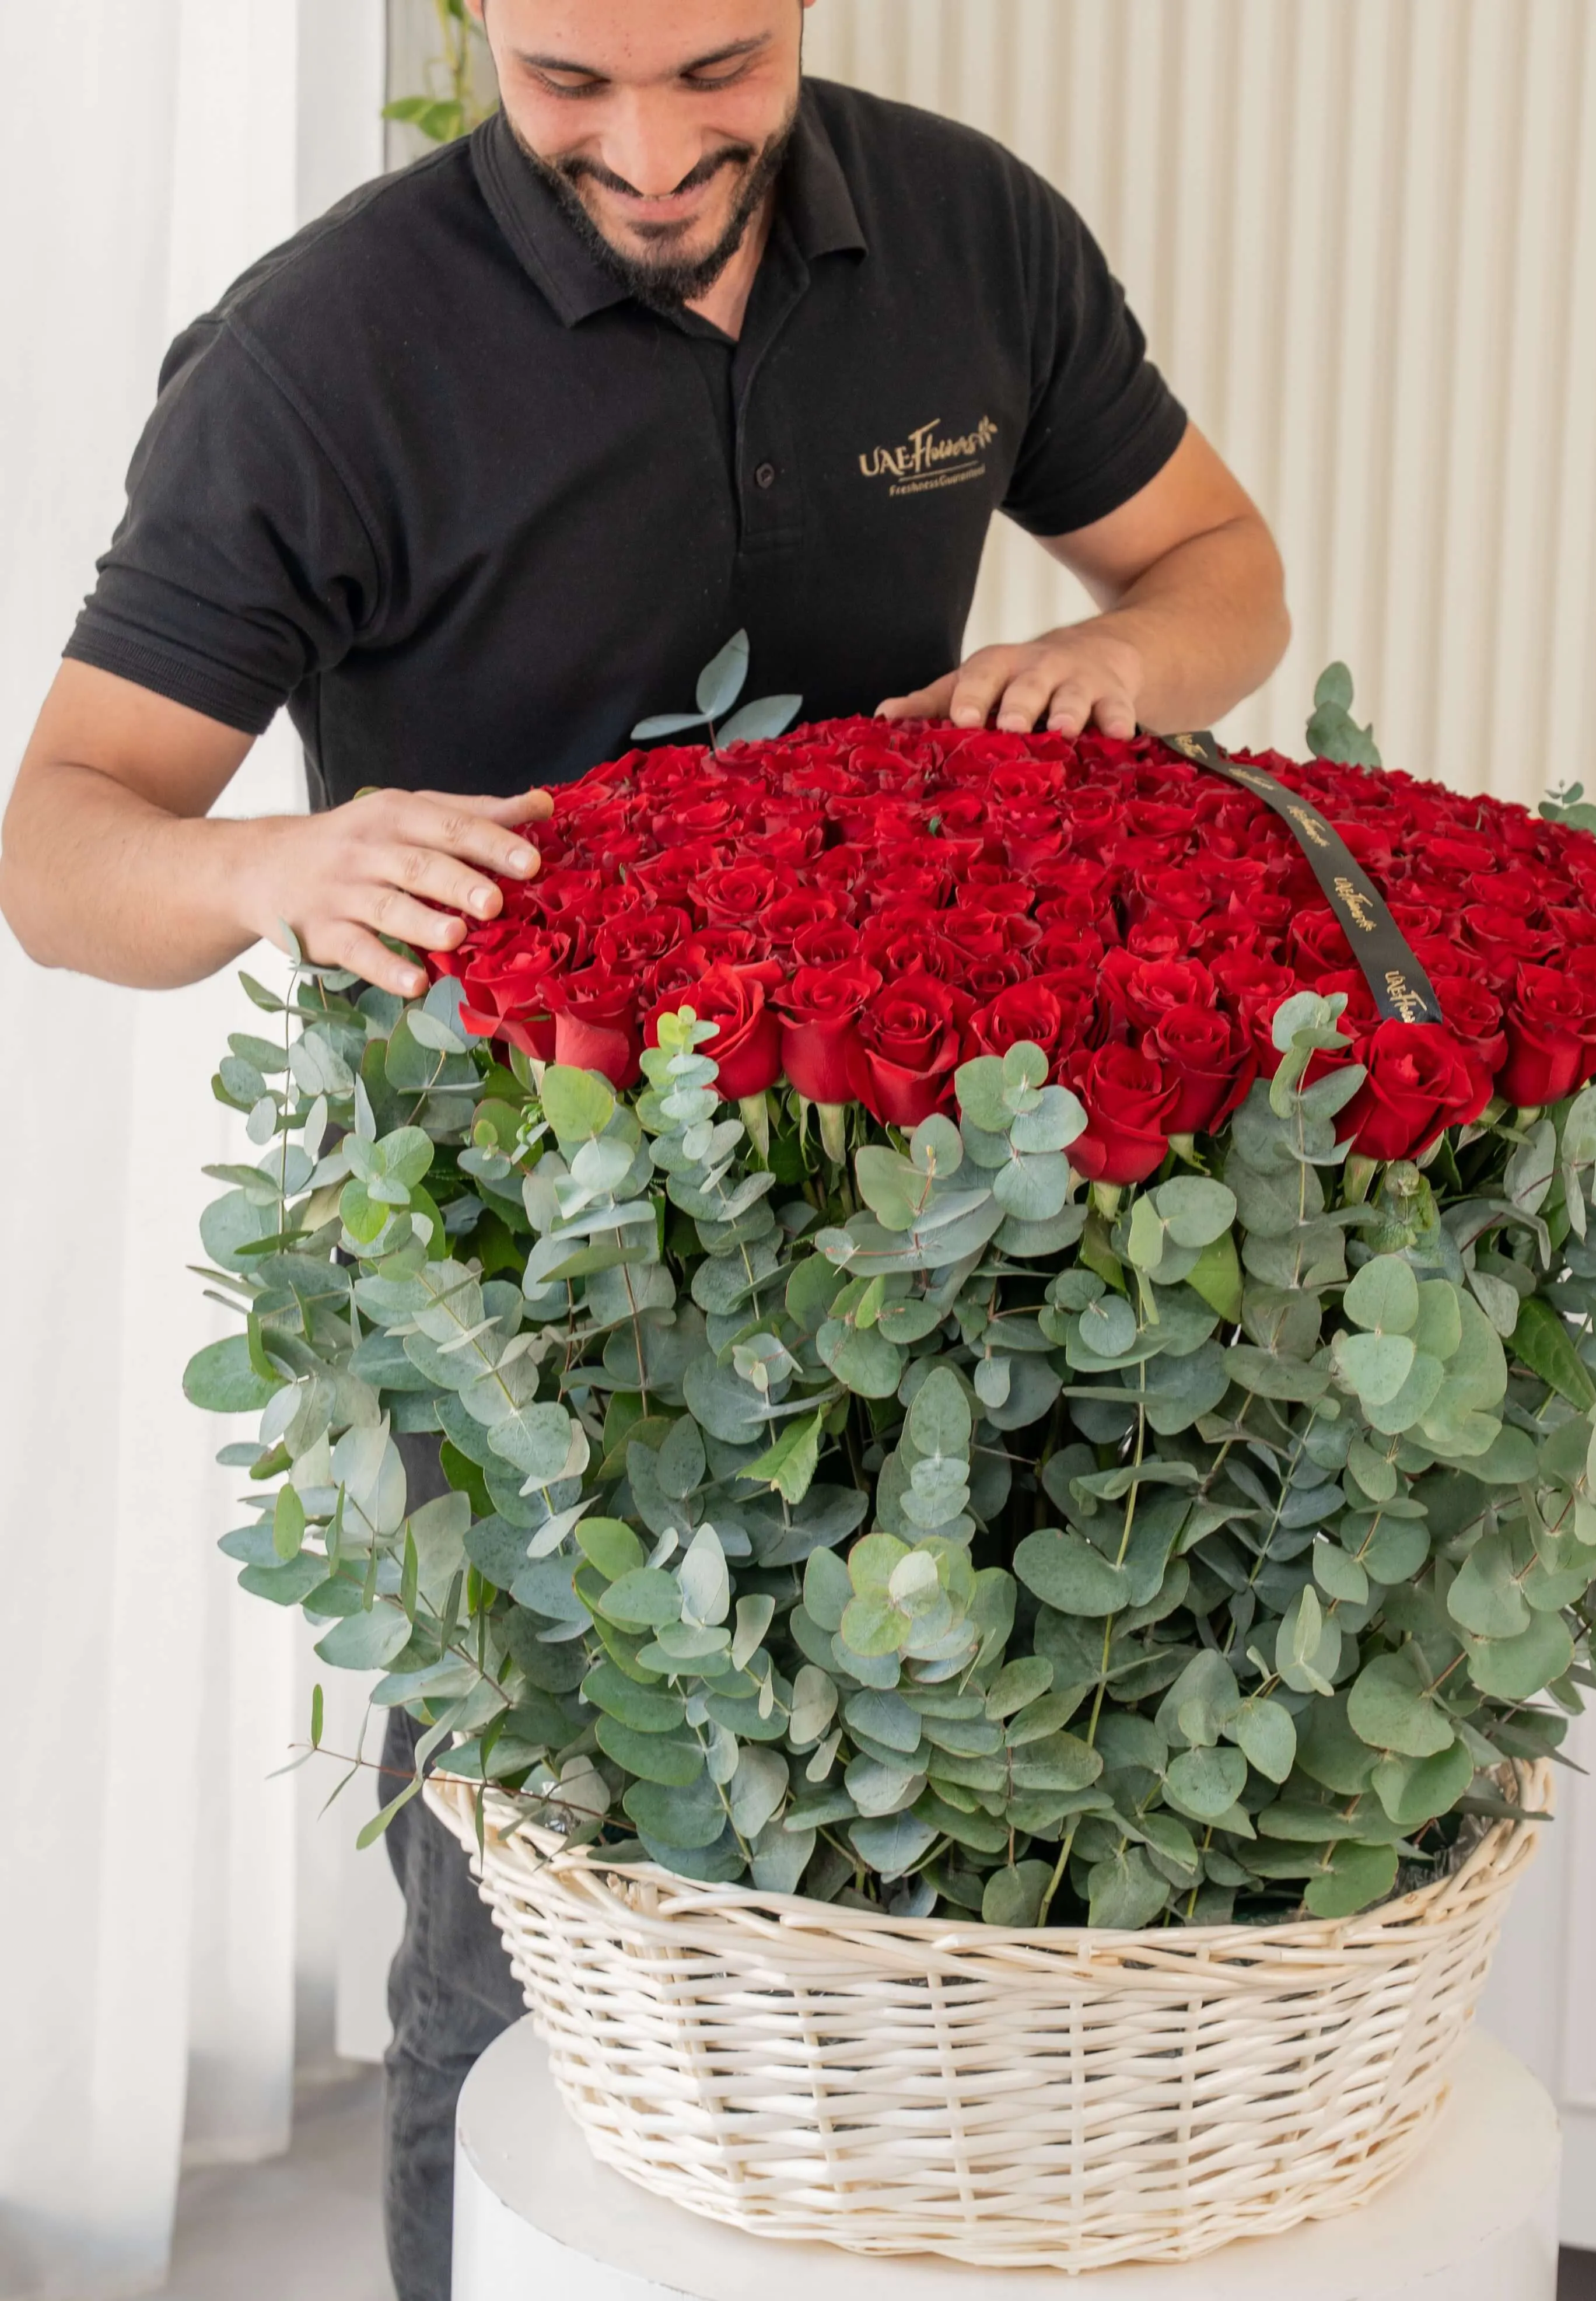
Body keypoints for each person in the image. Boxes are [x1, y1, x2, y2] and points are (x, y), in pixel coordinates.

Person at [0, 5, 1288, 2295]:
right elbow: (64, 844)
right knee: (524, 1943)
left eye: (719, 67)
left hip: (922, 1197)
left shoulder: (970, 230)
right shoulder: (325, 351)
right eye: (571, 82)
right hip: (514, 1263)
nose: (656, 145)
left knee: (915, 1892)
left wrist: (1111, 673)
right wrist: (271, 873)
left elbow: (1211, 567)